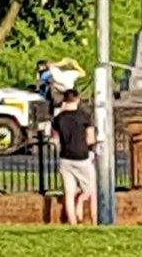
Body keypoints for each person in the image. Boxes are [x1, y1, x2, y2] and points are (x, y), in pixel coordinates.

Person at [50, 89, 96, 225]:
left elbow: (55, 139)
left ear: (64, 100)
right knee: (91, 191)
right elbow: (91, 139)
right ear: (77, 99)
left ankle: (73, 222)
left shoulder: (58, 119)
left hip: (65, 158)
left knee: (69, 193)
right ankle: (93, 219)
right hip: (82, 157)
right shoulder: (84, 116)